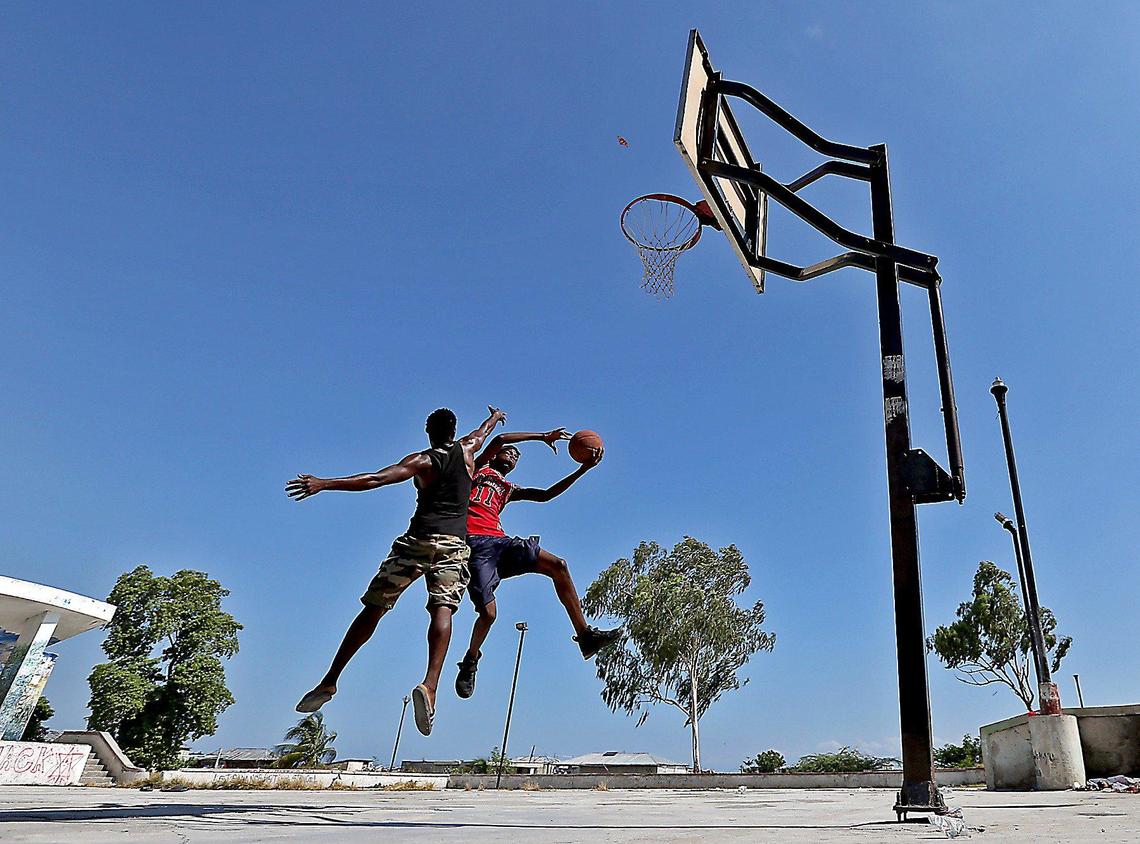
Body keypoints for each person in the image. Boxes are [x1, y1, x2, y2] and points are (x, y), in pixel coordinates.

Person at [286, 406, 506, 736]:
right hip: (452, 546)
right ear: (454, 429)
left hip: (416, 542)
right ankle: (430, 686)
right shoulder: (469, 449)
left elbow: (375, 479)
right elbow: (483, 431)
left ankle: (330, 681)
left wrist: (324, 483)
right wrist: (495, 418)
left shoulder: (422, 461)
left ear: (428, 431)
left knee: (373, 609)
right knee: (442, 610)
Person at [454, 428, 622, 700]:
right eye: (510, 452)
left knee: (559, 566)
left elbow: (545, 495)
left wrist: (584, 470)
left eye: (517, 456)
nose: (513, 455)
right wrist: (542, 437)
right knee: (488, 615)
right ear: (496, 456)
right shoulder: (479, 468)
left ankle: (586, 636)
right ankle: (471, 660)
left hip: (501, 543)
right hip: (474, 545)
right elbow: (499, 439)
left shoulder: (509, 489)